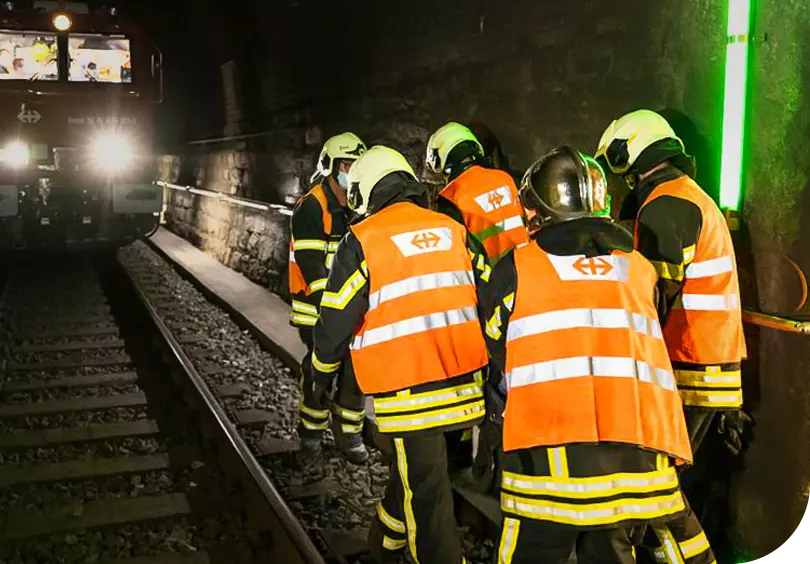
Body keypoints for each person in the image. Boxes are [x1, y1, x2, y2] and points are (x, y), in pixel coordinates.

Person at [481, 146, 714, 564]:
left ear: (538, 211)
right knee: (615, 546)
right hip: (638, 444)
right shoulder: (639, 268)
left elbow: (495, 342)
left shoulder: (517, 267)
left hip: (549, 453)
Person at [311, 145, 490, 564]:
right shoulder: (453, 230)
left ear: (363, 192)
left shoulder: (362, 240)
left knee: (426, 495)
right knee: (422, 474)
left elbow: (335, 320)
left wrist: (321, 376)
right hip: (465, 386)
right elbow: (489, 294)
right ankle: (385, 542)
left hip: (410, 394)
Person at [595, 109, 748, 560]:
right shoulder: (683, 195)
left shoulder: (667, 204)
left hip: (689, 365)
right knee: (658, 487)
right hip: (703, 363)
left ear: (631, 151)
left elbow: (651, 297)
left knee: (653, 487)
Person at [288, 132, 369, 464]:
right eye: (346, 165)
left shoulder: (360, 204)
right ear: (331, 166)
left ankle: (349, 434)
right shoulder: (312, 206)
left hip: (350, 308)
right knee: (320, 371)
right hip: (316, 309)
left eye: (356, 165)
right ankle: (311, 435)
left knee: (355, 371)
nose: (351, 171)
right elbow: (311, 263)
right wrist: (332, 310)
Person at [426, 121, 529, 264]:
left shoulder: (449, 196)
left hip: (493, 275)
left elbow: (455, 252)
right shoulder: (505, 179)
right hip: (528, 266)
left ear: (440, 159)